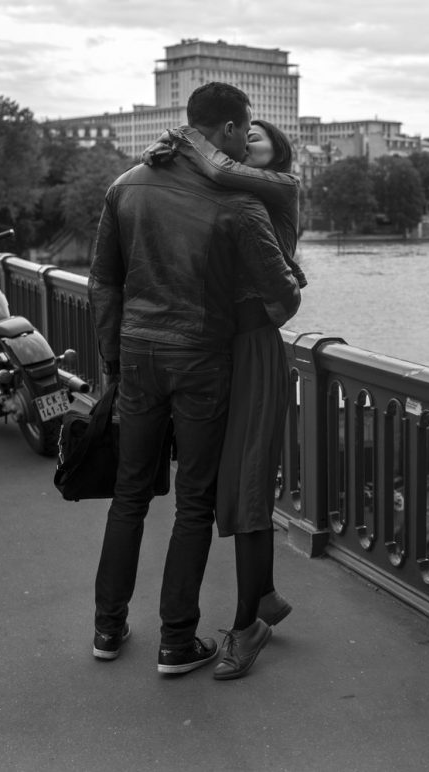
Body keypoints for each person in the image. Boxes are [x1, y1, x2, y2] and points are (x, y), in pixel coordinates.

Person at [89, 82, 300, 681]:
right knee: (194, 503)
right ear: (231, 130)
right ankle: (175, 642)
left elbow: (104, 281)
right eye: (246, 128)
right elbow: (282, 299)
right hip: (202, 357)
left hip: (137, 355)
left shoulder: (125, 186)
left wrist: (113, 360)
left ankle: (108, 626)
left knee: (129, 493)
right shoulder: (237, 203)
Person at [141, 118, 306, 673]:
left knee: (247, 486)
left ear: (275, 149)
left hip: (255, 349)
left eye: (254, 136)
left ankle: (246, 627)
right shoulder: (232, 196)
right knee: (236, 483)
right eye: (241, 134)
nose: (243, 143)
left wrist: (186, 138)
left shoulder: (281, 186)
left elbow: (214, 163)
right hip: (219, 347)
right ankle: (264, 598)